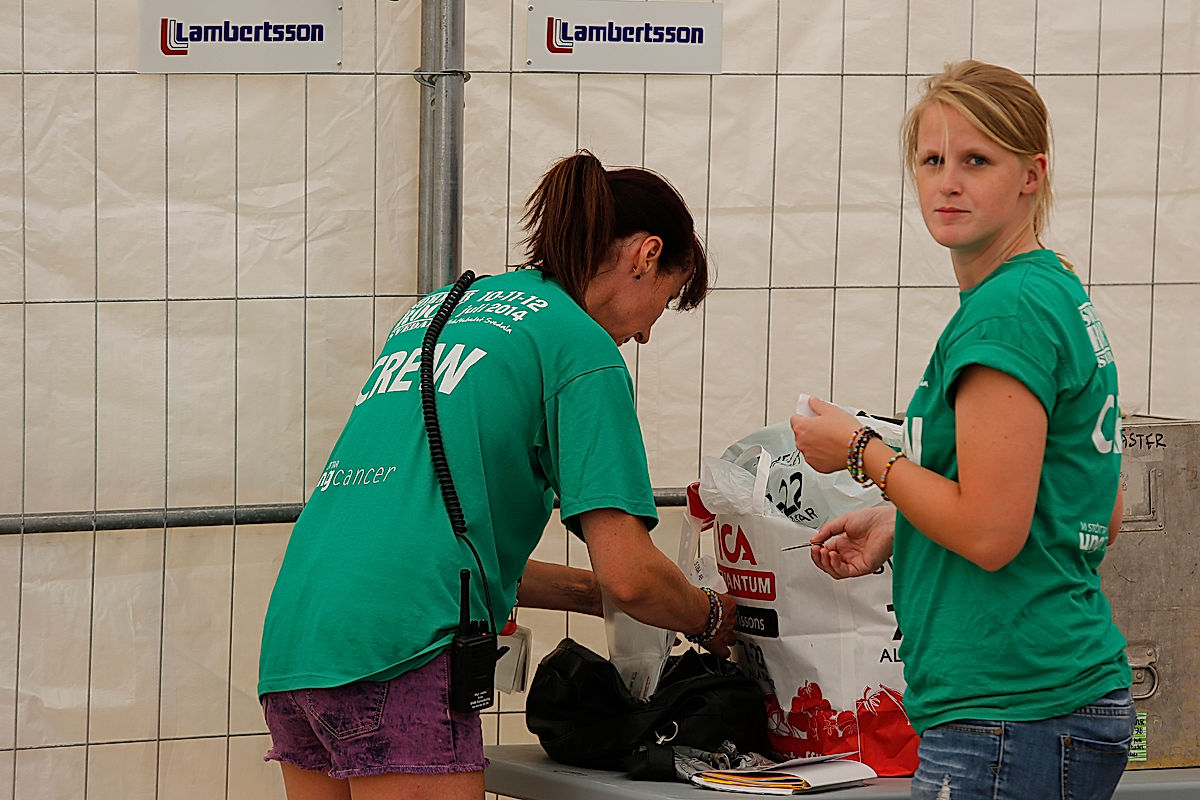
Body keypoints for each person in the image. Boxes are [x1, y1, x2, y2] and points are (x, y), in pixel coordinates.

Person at [257, 151, 738, 800]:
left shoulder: (438, 310)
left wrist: (592, 595)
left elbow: (436, 546)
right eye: (667, 299)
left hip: (298, 640)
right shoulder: (581, 347)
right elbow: (631, 572)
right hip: (402, 650)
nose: (648, 333)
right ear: (646, 256)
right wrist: (711, 615)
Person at [790, 60, 1133, 799]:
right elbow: (1089, 505)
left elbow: (990, 533)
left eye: (976, 160)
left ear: (1031, 175)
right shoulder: (1049, 288)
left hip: (1013, 706)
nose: (948, 183)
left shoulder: (1006, 312)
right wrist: (904, 520)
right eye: (932, 161)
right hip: (1044, 698)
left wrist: (861, 451)